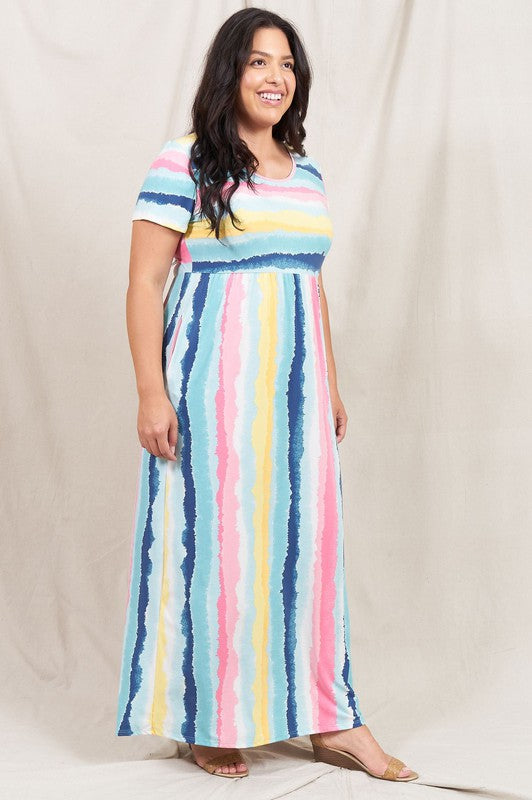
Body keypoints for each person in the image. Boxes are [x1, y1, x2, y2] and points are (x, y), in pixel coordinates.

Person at [115, 7, 418, 783]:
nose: (274, 76)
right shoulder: (186, 162)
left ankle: (328, 717)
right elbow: (146, 281)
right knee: (216, 549)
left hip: (298, 399)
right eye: (257, 62)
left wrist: (333, 385)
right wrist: (153, 393)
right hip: (209, 394)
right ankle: (208, 716)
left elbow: (308, 286)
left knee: (305, 550)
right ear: (229, 73)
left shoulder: (306, 171)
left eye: (285, 63)